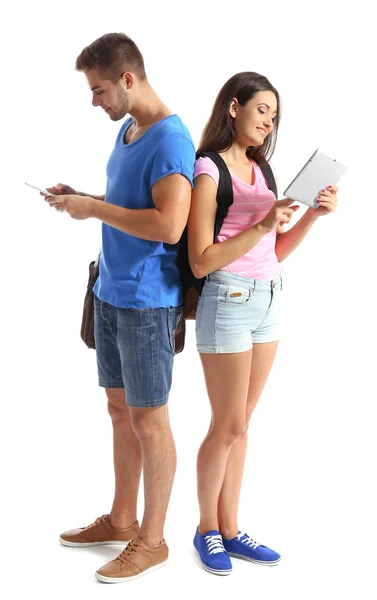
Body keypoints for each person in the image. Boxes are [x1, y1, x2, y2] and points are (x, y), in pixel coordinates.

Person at [44, 33, 195, 583]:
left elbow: (169, 225)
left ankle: (152, 541)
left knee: (150, 421)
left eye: (100, 89)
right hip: (109, 292)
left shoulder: (171, 141)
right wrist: (81, 198)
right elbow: (129, 206)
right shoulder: (130, 130)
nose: (95, 101)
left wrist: (93, 210)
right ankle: (122, 517)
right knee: (118, 410)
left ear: (128, 79)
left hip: (147, 304)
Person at [188, 72, 338, 575]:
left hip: (270, 297)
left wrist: (311, 216)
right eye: (261, 110)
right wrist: (259, 223)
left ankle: (231, 529)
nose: (268, 120)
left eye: (274, 114)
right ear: (234, 107)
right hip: (226, 300)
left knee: (242, 425)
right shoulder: (208, 170)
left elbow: (274, 249)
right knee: (226, 424)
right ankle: (206, 528)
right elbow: (202, 260)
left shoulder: (264, 168)